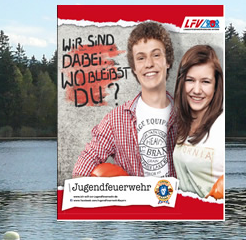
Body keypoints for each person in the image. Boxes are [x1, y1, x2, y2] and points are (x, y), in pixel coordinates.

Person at [73, 21, 177, 178]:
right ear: (134, 67)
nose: (149, 64)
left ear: (167, 61)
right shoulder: (115, 120)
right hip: (136, 202)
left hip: (180, 202)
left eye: (156, 55)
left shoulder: (189, 115)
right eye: (141, 58)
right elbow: (81, 169)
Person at [172, 44, 225, 199]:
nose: (196, 90)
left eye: (205, 82)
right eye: (190, 80)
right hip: (186, 219)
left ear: (216, 86)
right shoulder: (181, 124)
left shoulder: (222, 128)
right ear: (181, 83)